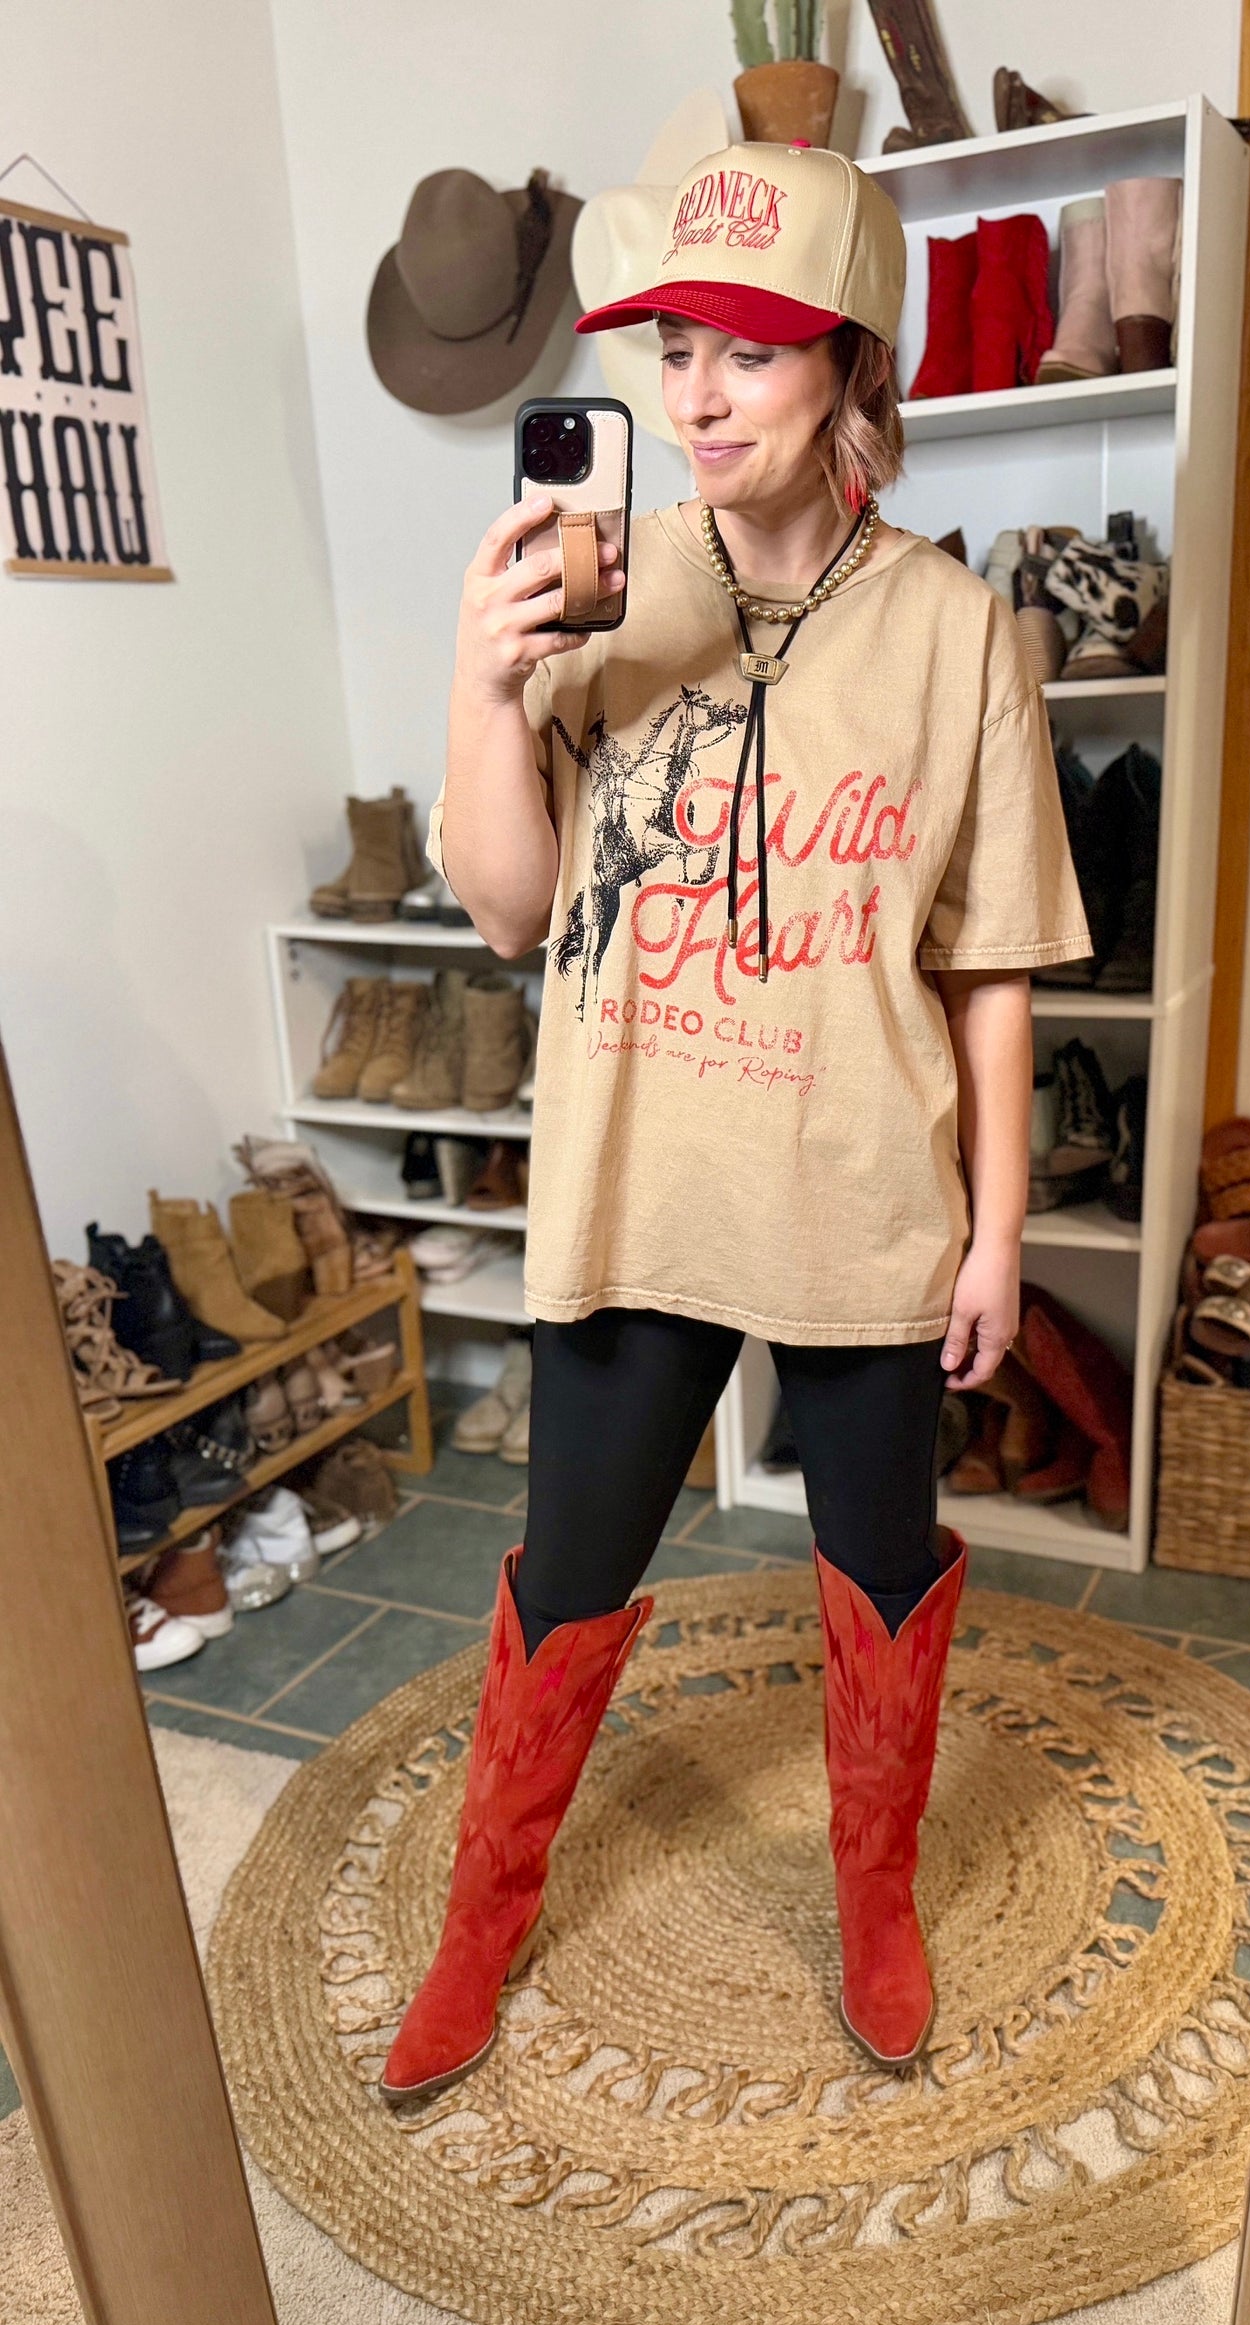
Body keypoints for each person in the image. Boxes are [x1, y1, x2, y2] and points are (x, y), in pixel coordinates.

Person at [380, 143, 1090, 2106]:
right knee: (564, 1572)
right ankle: (478, 1918)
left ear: (850, 366)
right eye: (669, 346)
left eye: (749, 352)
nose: (693, 394)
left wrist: (998, 1225)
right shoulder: (607, 585)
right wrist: (482, 666)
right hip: (637, 1187)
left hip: (866, 1193)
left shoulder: (956, 630)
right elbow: (513, 906)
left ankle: (875, 1893)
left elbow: (994, 959)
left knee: (878, 1566)